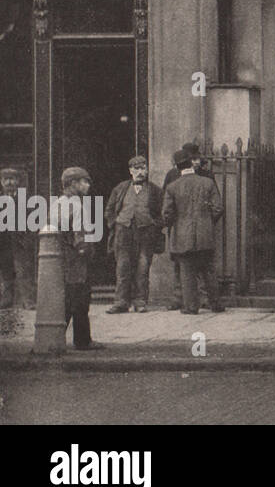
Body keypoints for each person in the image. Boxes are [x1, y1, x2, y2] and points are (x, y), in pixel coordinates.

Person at [162, 150, 225, 315]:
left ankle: (191, 307)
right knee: (209, 270)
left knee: (187, 272)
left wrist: (174, 225)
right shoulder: (207, 183)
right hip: (205, 234)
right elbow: (218, 208)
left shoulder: (172, 187)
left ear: (177, 167)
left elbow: (167, 214)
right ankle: (216, 304)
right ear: (191, 163)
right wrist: (207, 223)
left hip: (182, 236)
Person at [105, 155, 163, 313]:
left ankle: (140, 302)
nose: (140, 172)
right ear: (130, 171)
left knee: (143, 268)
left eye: (143, 168)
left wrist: (154, 225)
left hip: (145, 233)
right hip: (123, 232)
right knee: (122, 267)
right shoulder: (120, 188)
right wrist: (116, 223)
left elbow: (162, 214)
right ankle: (121, 302)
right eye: (136, 169)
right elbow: (109, 210)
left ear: (147, 170)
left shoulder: (155, 191)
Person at [59, 167, 103, 350]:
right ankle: (82, 341)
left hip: (67, 259)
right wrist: (84, 251)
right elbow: (78, 235)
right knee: (79, 300)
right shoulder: (74, 205)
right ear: (73, 184)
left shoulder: (62, 202)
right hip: (75, 260)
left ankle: (56, 337)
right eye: (84, 181)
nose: (88, 185)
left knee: (71, 301)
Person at [164, 142, 211, 310]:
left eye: (198, 159)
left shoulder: (206, 176)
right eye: (193, 159)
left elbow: (214, 204)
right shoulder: (172, 175)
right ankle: (179, 297)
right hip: (178, 228)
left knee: (201, 265)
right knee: (179, 264)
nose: (196, 162)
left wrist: (205, 222)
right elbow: (166, 204)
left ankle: (202, 297)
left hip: (199, 229)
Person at [0, 167, 36, 310]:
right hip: (3, 243)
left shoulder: (26, 200)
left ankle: (28, 301)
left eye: (12, 179)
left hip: (20, 242)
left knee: (23, 271)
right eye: (5, 179)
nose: (9, 182)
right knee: (6, 271)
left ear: (18, 181)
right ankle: (7, 300)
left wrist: (28, 239)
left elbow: (34, 222)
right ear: (1, 182)